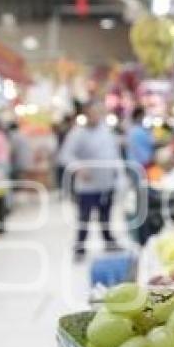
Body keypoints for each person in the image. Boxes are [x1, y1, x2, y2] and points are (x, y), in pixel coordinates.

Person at [59, 101, 124, 260]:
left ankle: (108, 241)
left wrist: (119, 175)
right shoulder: (77, 134)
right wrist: (79, 168)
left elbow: (114, 154)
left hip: (106, 182)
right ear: (86, 114)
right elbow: (64, 156)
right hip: (87, 186)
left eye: (98, 112)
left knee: (106, 215)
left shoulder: (106, 131)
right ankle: (80, 247)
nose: (95, 116)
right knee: (84, 217)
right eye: (92, 113)